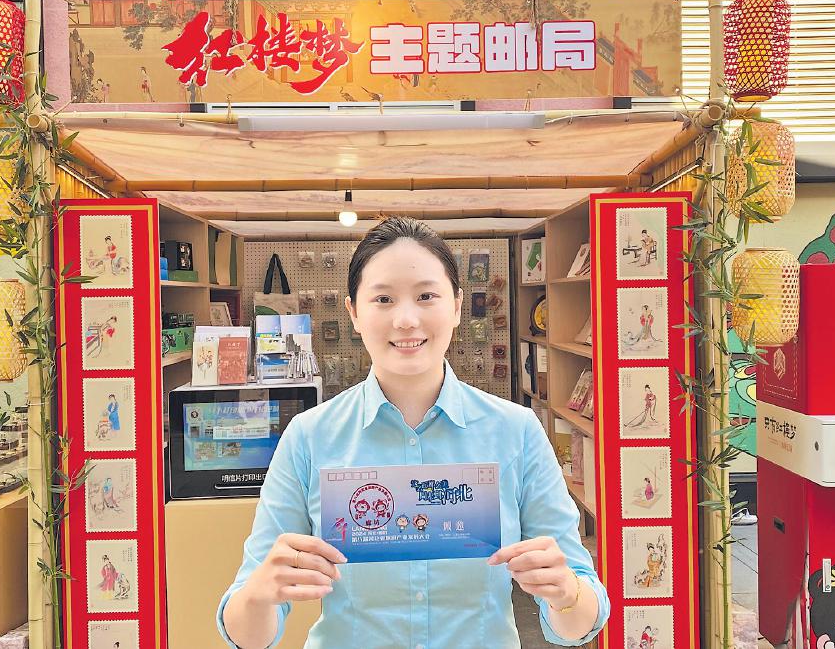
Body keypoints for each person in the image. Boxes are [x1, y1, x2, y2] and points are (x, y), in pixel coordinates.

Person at [218, 216, 608, 648]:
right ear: (353, 313)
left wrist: (566, 593)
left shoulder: (516, 432)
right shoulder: (309, 437)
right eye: (383, 299)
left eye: (426, 296)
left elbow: (579, 625)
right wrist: (260, 593)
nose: (406, 320)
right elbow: (245, 636)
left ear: (456, 306)